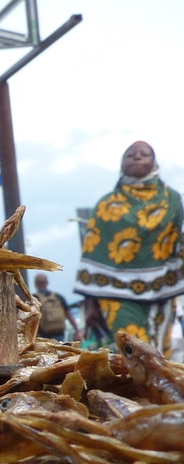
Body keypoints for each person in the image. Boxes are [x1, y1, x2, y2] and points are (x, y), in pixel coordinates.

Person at [74, 141, 184, 350]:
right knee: (133, 347)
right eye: (130, 154)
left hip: (161, 288)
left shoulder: (172, 200)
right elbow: (93, 252)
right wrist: (90, 304)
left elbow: (178, 237)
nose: (137, 157)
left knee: (161, 349)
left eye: (145, 154)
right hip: (116, 291)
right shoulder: (106, 204)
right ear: (122, 162)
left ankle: (156, 383)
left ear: (154, 163)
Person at [32, 273, 78, 340]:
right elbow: (69, 314)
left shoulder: (34, 298)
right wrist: (77, 331)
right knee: (59, 349)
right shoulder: (58, 297)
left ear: (36, 284)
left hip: (43, 335)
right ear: (47, 283)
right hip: (59, 333)